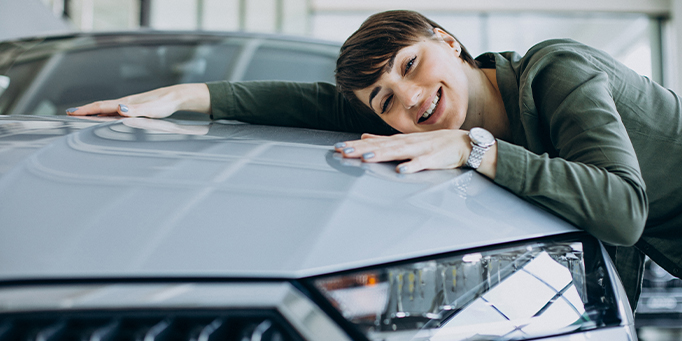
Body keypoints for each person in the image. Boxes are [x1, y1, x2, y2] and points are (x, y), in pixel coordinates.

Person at [67, 10, 682, 311]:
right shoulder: (416, 111)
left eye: (412, 65)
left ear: (447, 40)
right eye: (383, 99)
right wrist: (186, 96)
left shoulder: (558, 71)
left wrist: (476, 148)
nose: (410, 100)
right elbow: (306, 103)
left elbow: (624, 208)